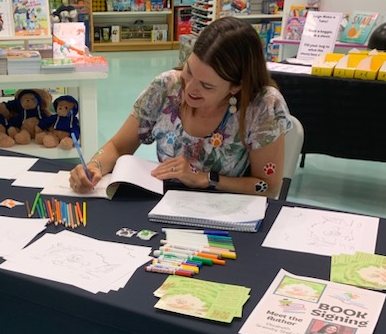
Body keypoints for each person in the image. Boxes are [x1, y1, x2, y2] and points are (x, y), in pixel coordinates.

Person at [69, 17, 292, 198]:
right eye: (189, 71)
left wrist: (205, 178)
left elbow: (268, 187)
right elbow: (118, 147)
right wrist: (94, 165)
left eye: (207, 85)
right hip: (162, 204)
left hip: (229, 215)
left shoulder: (262, 106)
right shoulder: (167, 87)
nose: (191, 88)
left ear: (236, 87)